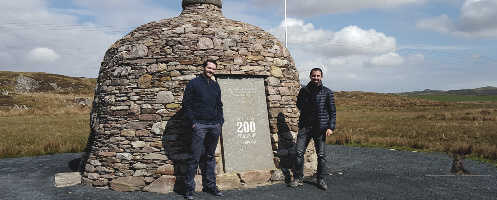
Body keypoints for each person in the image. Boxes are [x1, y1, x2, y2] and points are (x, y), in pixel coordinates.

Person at [182, 60, 224, 199]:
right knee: (194, 158)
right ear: (203, 68)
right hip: (200, 125)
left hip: (214, 126)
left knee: (210, 157)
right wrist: (194, 122)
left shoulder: (215, 86)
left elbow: (219, 105)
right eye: (209, 67)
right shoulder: (194, 83)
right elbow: (186, 104)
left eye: (213, 69)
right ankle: (189, 189)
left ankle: (211, 185)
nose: (210, 70)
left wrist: (220, 122)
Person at [289, 68, 336, 190]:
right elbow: (299, 104)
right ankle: (298, 178)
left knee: (321, 155)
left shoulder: (327, 92)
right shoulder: (304, 91)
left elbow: (332, 111)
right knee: (299, 153)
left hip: (320, 128)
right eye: (314, 76)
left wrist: (331, 127)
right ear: (310, 76)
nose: (316, 78)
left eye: (318, 76)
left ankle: (321, 179)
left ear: (321, 77)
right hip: (305, 126)